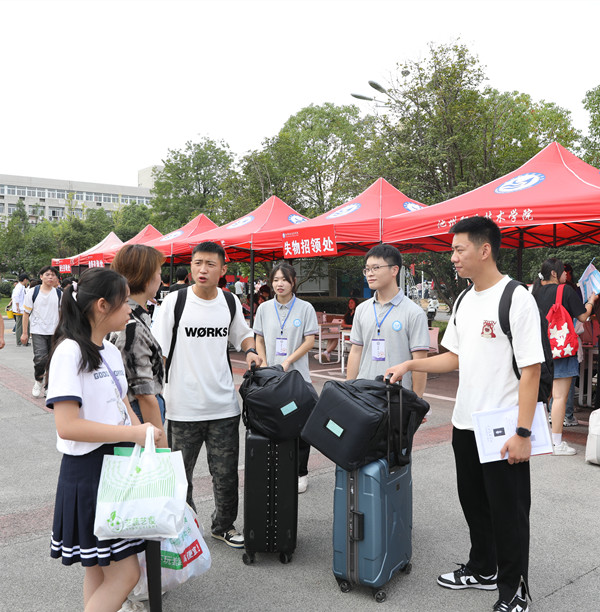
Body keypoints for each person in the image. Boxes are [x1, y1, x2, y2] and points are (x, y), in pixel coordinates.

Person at [385, 217, 543, 612]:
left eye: (458, 249)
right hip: (465, 423)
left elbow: (531, 370)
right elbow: (454, 356)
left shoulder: (516, 298)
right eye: (453, 250)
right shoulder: (463, 300)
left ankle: (513, 590)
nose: (452, 256)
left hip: (504, 429)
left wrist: (523, 432)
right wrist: (410, 366)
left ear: (484, 249)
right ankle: (482, 567)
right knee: (474, 504)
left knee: (508, 513)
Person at [46, 267, 164, 612]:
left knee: (98, 569)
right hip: (89, 472)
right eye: (124, 301)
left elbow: (123, 404)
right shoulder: (69, 353)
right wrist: (133, 433)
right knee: (124, 574)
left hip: (117, 469)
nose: (130, 308)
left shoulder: (109, 351)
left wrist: (147, 438)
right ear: (102, 305)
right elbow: (67, 426)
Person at [152, 241, 262, 548]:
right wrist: (154, 398)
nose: (203, 269)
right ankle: (184, 527)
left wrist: (251, 351)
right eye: (198, 263)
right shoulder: (174, 302)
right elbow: (159, 353)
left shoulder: (229, 302)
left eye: (210, 264)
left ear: (223, 270)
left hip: (223, 405)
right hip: (182, 407)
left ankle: (223, 526)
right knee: (179, 477)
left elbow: (243, 335)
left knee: (226, 475)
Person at [253, 262, 319, 494]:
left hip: (297, 379)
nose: (279, 284)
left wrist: (288, 361)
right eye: (275, 280)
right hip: (272, 380)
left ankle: (301, 472)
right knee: (273, 424)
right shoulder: (264, 309)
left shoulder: (305, 308)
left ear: (293, 282)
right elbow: (258, 338)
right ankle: (276, 467)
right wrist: (265, 364)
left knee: (302, 426)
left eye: (284, 279)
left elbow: (309, 341)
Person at [346, 244, 429, 397]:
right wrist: (349, 391)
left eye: (376, 268)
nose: (369, 274)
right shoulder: (362, 309)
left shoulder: (414, 312)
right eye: (367, 269)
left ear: (394, 270)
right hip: (363, 394)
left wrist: (417, 402)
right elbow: (356, 352)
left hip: (398, 397)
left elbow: (420, 361)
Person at [532, 258, 597, 455]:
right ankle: (556, 443)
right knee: (559, 397)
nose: (566, 276)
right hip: (561, 350)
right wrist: (591, 302)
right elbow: (583, 316)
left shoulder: (534, 292)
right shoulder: (565, 291)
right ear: (554, 273)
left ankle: (536, 438)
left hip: (539, 349)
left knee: (541, 396)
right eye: (563, 272)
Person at [109, 244, 167, 440]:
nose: (161, 278)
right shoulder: (131, 323)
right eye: (159, 272)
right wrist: (161, 448)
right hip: (141, 412)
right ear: (147, 276)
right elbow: (143, 393)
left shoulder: (126, 315)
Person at [21, 266, 62, 397]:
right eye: (47, 274)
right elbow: (26, 314)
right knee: (40, 359)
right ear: (41, 277)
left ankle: (48, 387)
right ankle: (38, 380)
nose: (50, 277)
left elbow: (62, 314)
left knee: (52, 360)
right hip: (38, 331)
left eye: (53, 275)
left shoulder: (59, 294)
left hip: (54, 332)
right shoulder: (33, 292)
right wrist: (24, 333)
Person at [314, 297, 358, 363]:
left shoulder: (357, 314)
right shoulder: (348, 314)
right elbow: (343, 324)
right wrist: (350, 326)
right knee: (331, 336)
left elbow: (355, 325)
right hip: (345, 332)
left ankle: (326, 353)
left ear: (356, 304)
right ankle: (327, 354)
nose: (350, 304)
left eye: (352, 303)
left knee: (336, 337)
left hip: (352, 334)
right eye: (349, 303)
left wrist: (349, 326)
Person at [12, 273, 29, 346]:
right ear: (25, 280)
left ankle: (24, 341)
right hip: (19, 309)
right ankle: (19, 341)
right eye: (27, 280)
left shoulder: (21, 287)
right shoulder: (19, 287)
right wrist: (17, 307)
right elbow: (16, 297)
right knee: (19, 326)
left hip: (22, 308)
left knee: (24, 325)